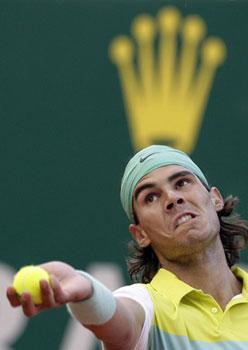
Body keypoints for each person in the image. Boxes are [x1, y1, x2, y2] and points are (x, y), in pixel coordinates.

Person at [7, 145, 248, 349]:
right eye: (150, 197)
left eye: (182, 182)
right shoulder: (145, 305)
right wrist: (88, 292)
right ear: (141, 234)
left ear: (215, 198)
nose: (172, 198)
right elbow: (119, 323)